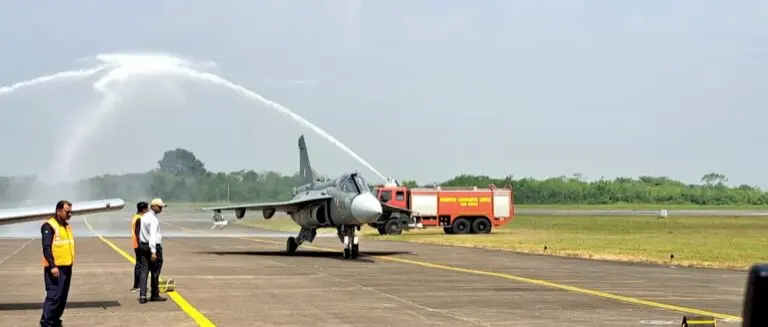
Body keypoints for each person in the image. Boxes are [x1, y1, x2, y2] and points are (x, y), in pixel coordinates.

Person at [40, 200, 75, 327]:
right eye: (67, 212)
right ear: (58, 211)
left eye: (71, 212)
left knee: (62, 298)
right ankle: (47, 323)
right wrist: (53, 266)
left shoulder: (66, 226)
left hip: (67, 268)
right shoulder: (49, 226)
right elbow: (47, 248)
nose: (70, 214)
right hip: (55, 269)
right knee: (53, 297)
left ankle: (54, 321)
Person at [137, 198, 168, 303]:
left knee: (144, 271)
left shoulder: (144, 216)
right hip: (152, 246)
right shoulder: (154, 219)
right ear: (153, 206)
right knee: (155, 271)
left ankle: (142, 295)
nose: (161, 209)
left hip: (143, 246)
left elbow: (142, 234)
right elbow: (152, 236)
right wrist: (153, 251)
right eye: (159, 207)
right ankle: (154, 294)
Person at [130, 201, 149, 292]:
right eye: (147, 208)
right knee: (140, 265)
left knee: (138, 264)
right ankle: (137, 285)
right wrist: (141, 244)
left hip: (135, 244)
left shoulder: (135, 217)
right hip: (138, 244)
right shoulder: (139, 219)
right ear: (144, 209)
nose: (148, 210)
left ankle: (137, 284)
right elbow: (138, 233)